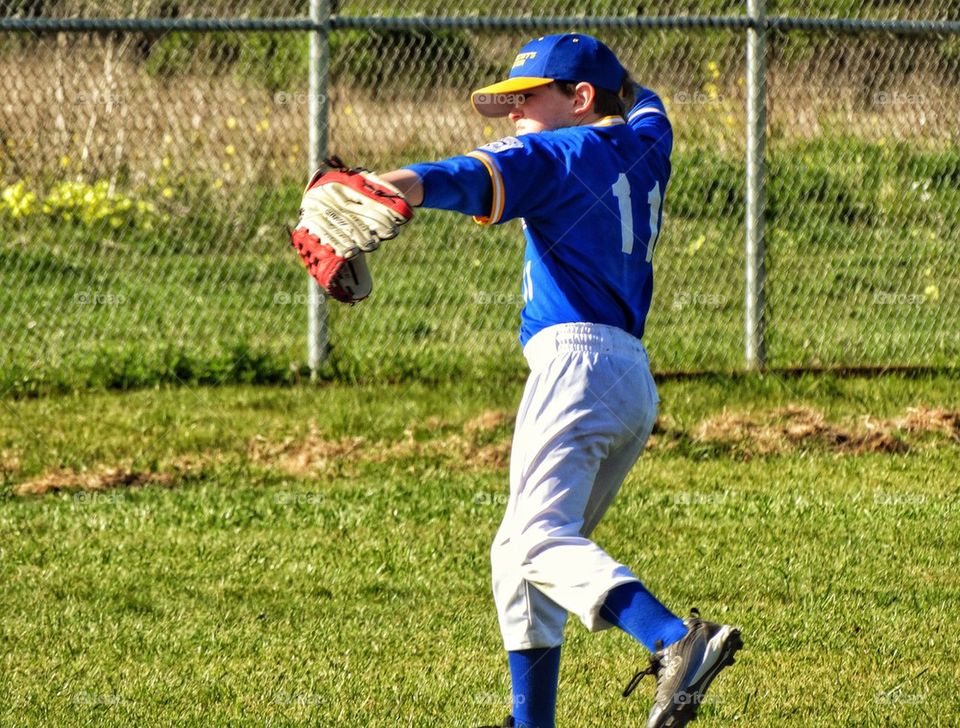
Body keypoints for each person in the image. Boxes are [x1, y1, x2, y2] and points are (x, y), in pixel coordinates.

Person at [371, 33, 742, 728]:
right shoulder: (647, 142)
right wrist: (614, 88)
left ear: (578, 99)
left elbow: (460, 176)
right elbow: (643, 101)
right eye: (508, 104)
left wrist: (379, 188)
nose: (514, 115)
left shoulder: (558, 151)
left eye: (527, 99)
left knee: (536, 541)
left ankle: (674, 640)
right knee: (520, 557)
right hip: (628, 375)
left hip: (575, 365)